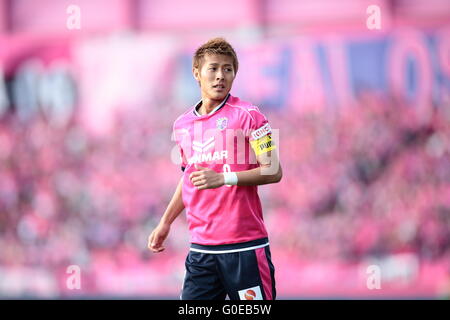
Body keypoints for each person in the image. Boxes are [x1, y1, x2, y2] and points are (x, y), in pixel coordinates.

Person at [147, 37, 282, 300]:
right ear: (197, 73)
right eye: (214, 68)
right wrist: (165, 223)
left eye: (228, 69)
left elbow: (273, 170)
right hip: (202, 251)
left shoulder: (250, 115)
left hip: (245, 247)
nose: (221, 76)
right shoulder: (182, 125)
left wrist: (223, 178)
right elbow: (189, 178)